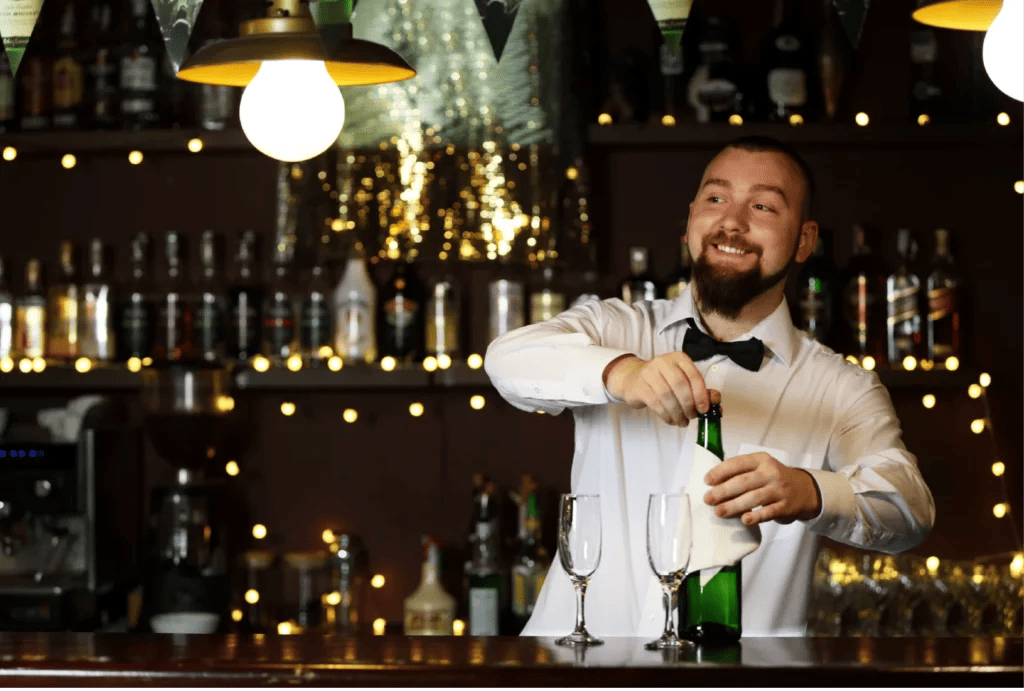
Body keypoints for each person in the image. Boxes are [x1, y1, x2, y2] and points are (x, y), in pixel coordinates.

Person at [484, 136, 935, 637]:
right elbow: (505, 360)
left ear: (805, 240)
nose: (732, 222)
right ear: (691, 219)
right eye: (716, 199)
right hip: (575, 670)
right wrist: (622, 373)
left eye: (762, 206)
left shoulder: (841, 387)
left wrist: (809, 490)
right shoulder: (616, 328)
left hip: (743, 679)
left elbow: (910, 510)